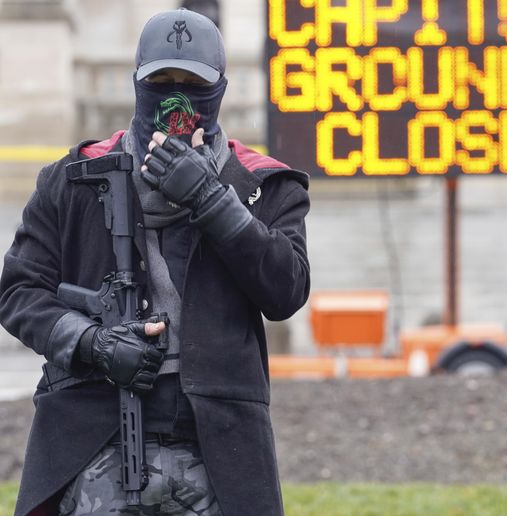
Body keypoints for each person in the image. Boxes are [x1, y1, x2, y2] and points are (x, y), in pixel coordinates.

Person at [0, 8, 309, 516]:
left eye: (191, 82)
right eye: (161, 80)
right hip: (92, 442)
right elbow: (18, 293)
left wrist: (214, 201)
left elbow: (286, 292)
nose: (175, 94)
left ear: (219, 89)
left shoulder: (263, 185)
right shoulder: (72, 179)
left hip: (218, 452)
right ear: (138, 82)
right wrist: (89, 342)